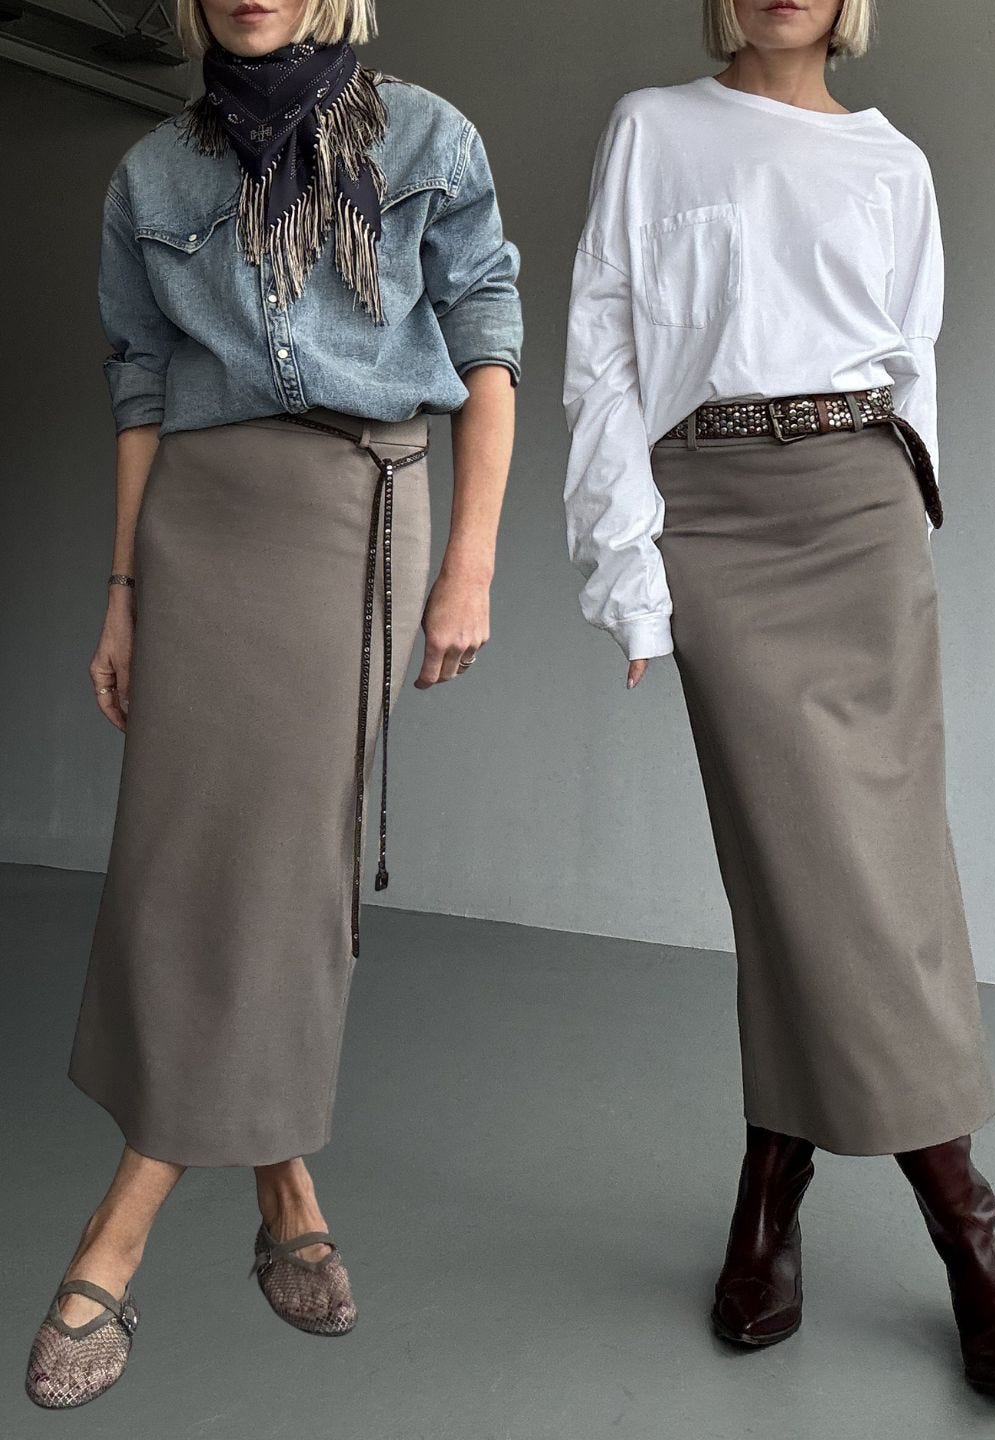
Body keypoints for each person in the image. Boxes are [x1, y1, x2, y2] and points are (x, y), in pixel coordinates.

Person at [26, 0, 521, 1408]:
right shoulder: (151, 175)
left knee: (286, 856)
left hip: (359, 516)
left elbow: (487, 341)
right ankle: (284, 1181)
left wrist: (473, 561)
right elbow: (139, 388)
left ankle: (117, 1229)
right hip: (200, 523)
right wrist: (122, 590)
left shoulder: (427, 137)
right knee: (187, 856)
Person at [561, 0, 995, 1394]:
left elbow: (914, 359)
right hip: (713, 512)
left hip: (860, 509)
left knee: (881, 876)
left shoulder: (893, 162)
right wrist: (627, 560)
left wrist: (908, 522)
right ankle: (965, 1220)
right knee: (799, 867)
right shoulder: (655, 129)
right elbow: (603, 350)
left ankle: (773, 1194)